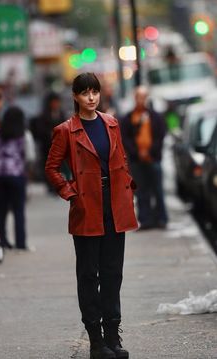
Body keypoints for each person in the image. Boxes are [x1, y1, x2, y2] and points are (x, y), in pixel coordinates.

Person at [45, 72, 138, 359]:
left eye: (94, 92)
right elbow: (51, 167)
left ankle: (113, 336)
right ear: (75, 96)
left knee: (113, 274)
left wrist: (127, 185)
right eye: (85, 92)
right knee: (88, 275)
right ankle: (96, 343)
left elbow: (120, 158)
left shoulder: (111, 123)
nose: (91, 97)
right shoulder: (66, 130)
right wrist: (71, 193)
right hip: (87, 208)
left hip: (114, 206)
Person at [0, 106, 36, 249]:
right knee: (18, 210)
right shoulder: (25, 135)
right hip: (17, 175)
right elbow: (30, 157)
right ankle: (21, 243)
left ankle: (1, 242)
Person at [120, 85, 168, 229]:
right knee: (141, 191)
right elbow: (125, 138)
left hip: (153, 158)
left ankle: (161, 219)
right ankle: (145, 220)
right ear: (135, 98)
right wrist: (136, 152)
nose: (141, 100)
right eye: (138, 97)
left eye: (143, 97)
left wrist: (150, 151)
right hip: (136, 160)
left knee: (158, 190)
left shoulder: (155, 116)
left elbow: (160, 135)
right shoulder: (128, 118)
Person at [30, 91, 70, 190]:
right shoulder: (43, 115)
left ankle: (59, 184)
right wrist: (50, 134)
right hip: (47, 146)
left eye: (57, 102)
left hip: (60, 145)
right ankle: (50, 185)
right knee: (49, 166)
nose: (56, 104)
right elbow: (40, 130)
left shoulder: (61, 114)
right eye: (54, 102)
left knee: (61, 165)